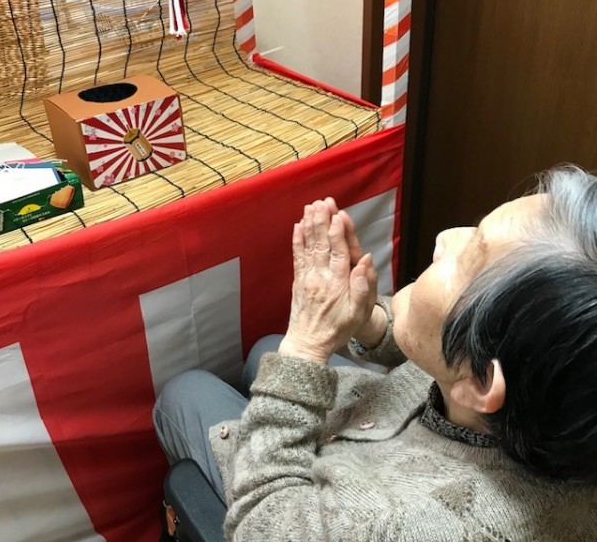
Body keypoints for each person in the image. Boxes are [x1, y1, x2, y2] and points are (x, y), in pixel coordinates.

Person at [154, 165, 597, 541]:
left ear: (480, 382)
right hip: (376, 431)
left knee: (184, 393)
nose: (446, 237)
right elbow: (442, 354)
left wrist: (306, 346)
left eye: (469, 259)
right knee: (265, 350)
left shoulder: (404, 524)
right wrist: (372, 324)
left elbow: (265, 520)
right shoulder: (544, 391)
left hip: (305, 502)